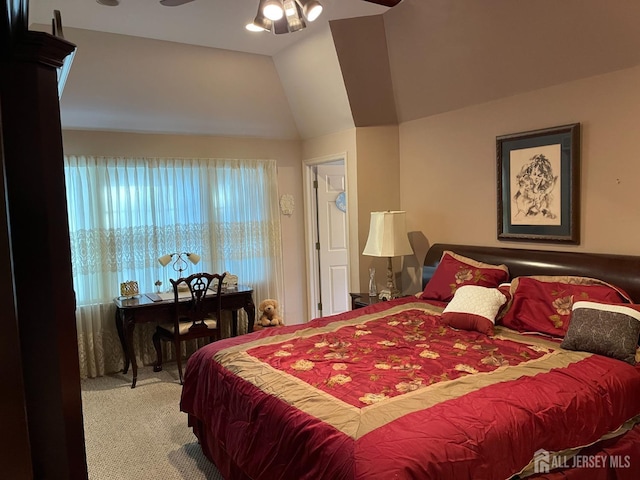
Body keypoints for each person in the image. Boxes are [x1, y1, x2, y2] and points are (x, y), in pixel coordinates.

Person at [512, 153, 557, 220]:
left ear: (544, 177)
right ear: (530, 174)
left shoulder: (543, 191)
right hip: (525, 214)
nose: (536, 178)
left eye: (539, 175)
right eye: (534, 174)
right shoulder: (526, 188)